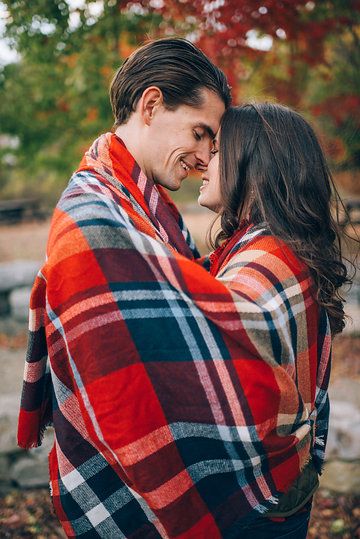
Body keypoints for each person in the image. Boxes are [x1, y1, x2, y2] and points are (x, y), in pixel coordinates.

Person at [198, 102, 352, 538]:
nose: (203, 160)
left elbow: (215, 403)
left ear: (255, 163)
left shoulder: (256, 271)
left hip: (252, 506)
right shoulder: (280, 248)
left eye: (217, 148)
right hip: (283, 491)